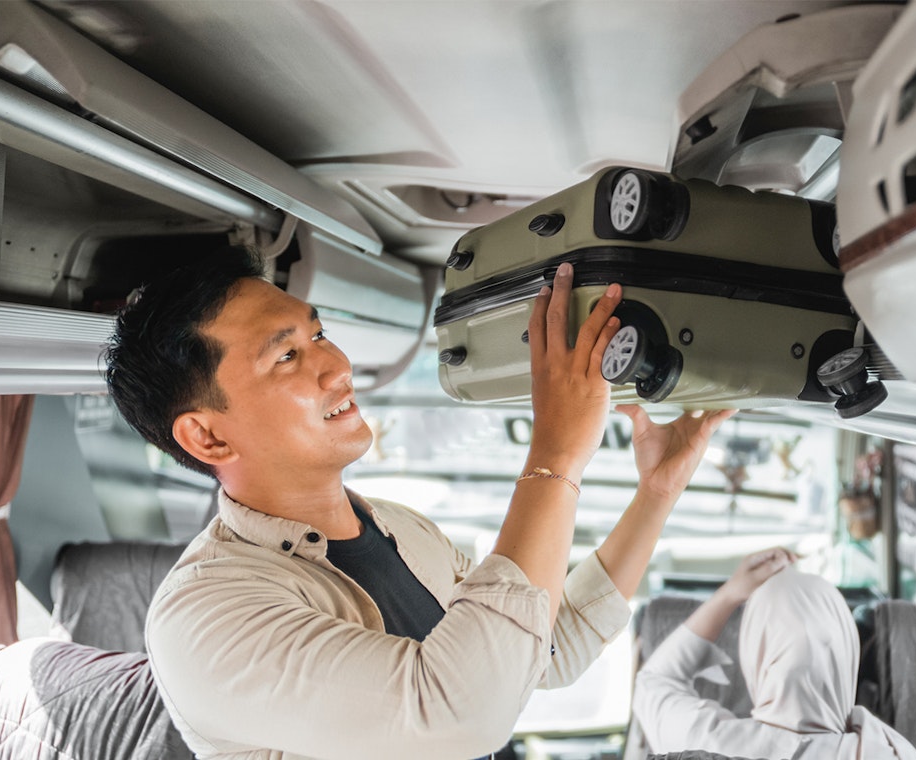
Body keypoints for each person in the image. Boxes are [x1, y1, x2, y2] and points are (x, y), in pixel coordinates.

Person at [104, 247, 734, 760]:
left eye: (319, 333)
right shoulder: (206, 615)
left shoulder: (400, 527)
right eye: (288, 355)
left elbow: (540, 650)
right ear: (207, 435)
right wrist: (556, 455)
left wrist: (657, 492)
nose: (338, 366)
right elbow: (461, 712)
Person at [632, 552, 916, 760]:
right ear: (849, 651)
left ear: (755, 655)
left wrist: (730, 594)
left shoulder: (706, 743)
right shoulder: (890, 750)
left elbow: (653, 681)